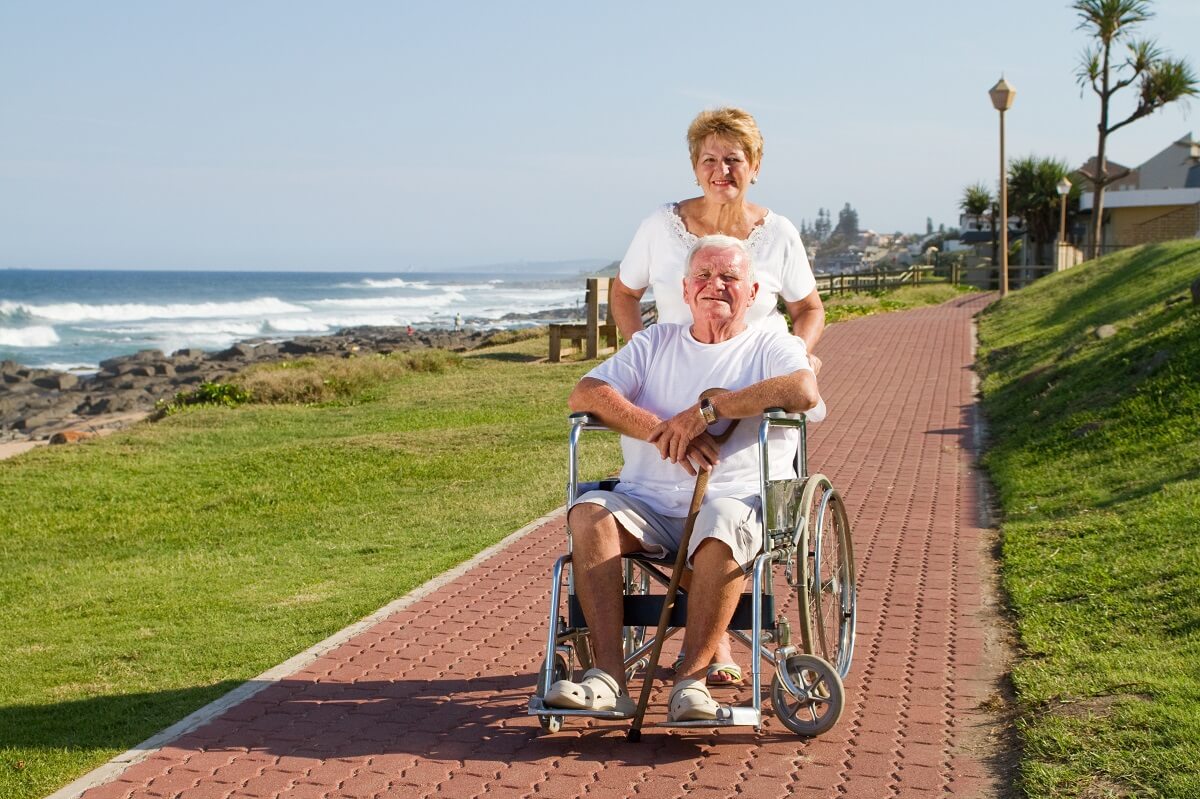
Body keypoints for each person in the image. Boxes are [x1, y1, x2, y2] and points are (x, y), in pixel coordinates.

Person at [544, 235, 822, 722]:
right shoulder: (656, 341)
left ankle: (690, 683)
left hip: (735, 499)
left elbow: (800, 389)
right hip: (648, 502)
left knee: (720, 523)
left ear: (753, 292)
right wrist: (662, 430)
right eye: (704, 277)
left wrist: (709, 410)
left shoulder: (771, 343)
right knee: (590, 515)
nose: (716, 285)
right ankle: (608, 679)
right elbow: (586, 392)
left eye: (730, 278)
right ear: (685, 289)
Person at [609, 106, 825, 685]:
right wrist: (646, 357)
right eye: (709, 159)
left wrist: (799, 355)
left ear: (755, 166)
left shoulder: (777, 233)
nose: (721, 169)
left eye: (734, 159)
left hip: (751, 389)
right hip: (671, 393)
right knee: (673, 493)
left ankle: (712, 647)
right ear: (694, 166)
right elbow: (624, 293)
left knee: (728, 502)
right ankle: (713, 646)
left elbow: (808, 310)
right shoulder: (661, 226)